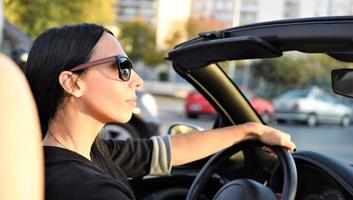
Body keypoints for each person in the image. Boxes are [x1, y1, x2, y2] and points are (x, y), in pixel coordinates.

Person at [24, 23, 296, 200]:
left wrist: (252, 130)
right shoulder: (93, 190)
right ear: (73, 82)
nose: (137, 80)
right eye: (122, 67)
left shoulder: (73, 157)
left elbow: (167, 150)